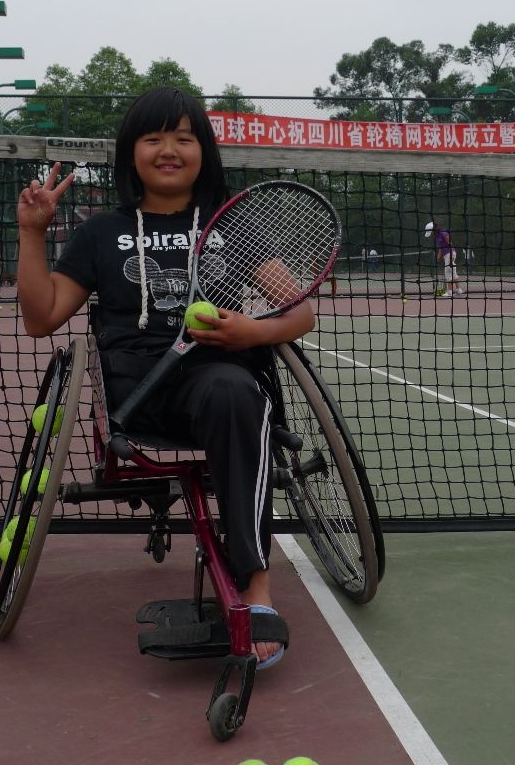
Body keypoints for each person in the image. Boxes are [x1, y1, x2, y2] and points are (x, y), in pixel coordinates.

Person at [16, 87, 315, 669]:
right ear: (132, 153)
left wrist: (251, 332)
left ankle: (255, 582)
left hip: (218, 379)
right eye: (153, 138)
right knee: (233, 397)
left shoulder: (232, 225)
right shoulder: (101, 232)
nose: (169, 149)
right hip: (138, 394)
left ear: (204, 151)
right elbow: (41, 318)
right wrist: (32, 233)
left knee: (235, 393)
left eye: (184, 137)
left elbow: (300, 312)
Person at [424, 220, 464, 298]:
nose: (431, 234)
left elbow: (449, 244)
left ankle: (449, 292)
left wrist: (450, 254)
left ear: (433, 230)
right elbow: (440, 247)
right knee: (453, 272)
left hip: (450, 254)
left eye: (431, 232)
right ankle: (459, 290)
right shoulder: (437, 236)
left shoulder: (443, 233)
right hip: (447, 255)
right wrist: (439, 256)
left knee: (447, 272)